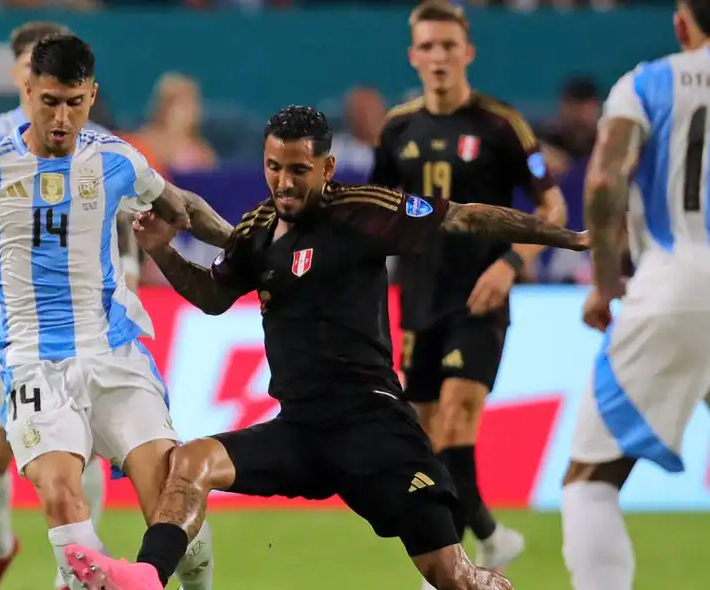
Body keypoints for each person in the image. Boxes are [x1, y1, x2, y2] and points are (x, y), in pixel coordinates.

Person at [62, 105, 588, 590]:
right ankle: (147, 576)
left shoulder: (366, 210)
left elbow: (464, 217)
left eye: (298, 170)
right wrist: (163, 253)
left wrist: (565, 237)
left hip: (374, 429)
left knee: (452, 575)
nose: (283, 182)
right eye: (273, 167)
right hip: (300, 430)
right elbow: (214, 297)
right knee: (192, 459)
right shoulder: (258, 228)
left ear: (327, 167)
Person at [0, 35, 231, 590]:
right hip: (33, 364)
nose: (62, 118)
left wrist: (252, 250)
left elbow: (183, 208)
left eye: (75, 103)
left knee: (173, 506)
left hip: (114, 354)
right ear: (27, 90)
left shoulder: (116, 160)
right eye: (50, 101)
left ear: (92, 96)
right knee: (62, 502)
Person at [369, 4, 569, 580]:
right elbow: (375, 215)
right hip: (417, 300)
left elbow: (553, 206)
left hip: (481, 297)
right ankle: (488, 533)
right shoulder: (397, 129)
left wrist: (510, 264)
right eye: (428, 47)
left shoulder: (501, 125)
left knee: (458, 419)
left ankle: (449, 574)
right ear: (413, 56)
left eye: (448, 46)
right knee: (430, 440)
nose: (439, 57)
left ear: (468, 53)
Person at [0, 21, 131, 590]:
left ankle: (72, 573)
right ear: (22, 75)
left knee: (81, 451)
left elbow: (125, 220)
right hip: (11, 327)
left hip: (84, 326)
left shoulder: (95, 141)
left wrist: (127, 279)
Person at [561, 2, 710, 589]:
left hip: (677, 286)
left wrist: (604, 285)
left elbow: (604, 179)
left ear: (681, 24)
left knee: (591, 479)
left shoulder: (647, 84)